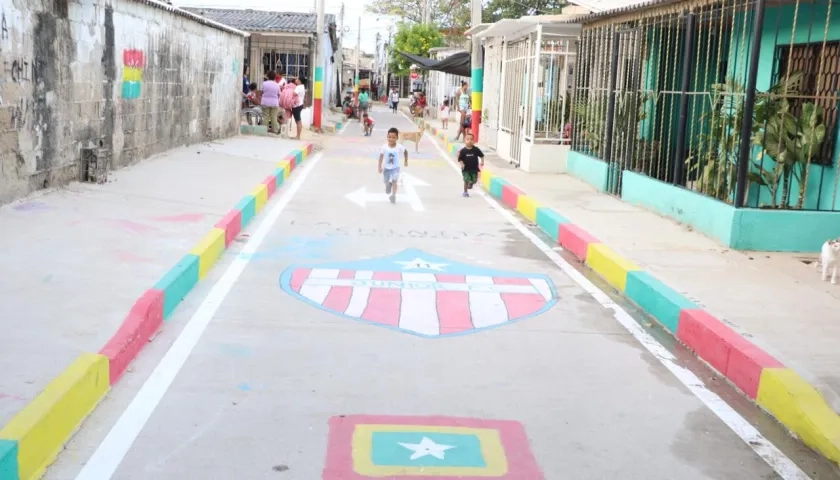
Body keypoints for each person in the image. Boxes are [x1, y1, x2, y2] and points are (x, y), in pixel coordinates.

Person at [378, 127, 409, 204]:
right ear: (387, 137)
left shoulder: (399, 146)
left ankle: (393, 195)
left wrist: (406, 161)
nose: (391, 139)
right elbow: (381, 156)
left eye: (393, 137)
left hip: (395, 168)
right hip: (386, 168)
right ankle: (388, 185)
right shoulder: (384, 146)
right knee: (385, 181)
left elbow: (405, 151)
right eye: (389, 137)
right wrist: (379, 166)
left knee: (395, 181)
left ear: (397, 138)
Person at [457, 132, 484, 197]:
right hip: (466, 169)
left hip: (474, 169)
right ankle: (465, 192)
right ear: (464, 141)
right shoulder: (463, 151)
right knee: (466, 180)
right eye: (468, 139)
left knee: (474, 180)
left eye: (471, 139)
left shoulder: (476, 149)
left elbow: (482, 155)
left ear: (473, 141)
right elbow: (460, 159)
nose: (469, 141)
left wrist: (482, 161)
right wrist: (462, 164)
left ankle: (471, 183)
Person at [261, 70, 281, 134]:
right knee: (274, 117)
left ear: (267, 76)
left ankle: (264, 130)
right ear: (275, 77)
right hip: (274, 103)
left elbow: (261, 92)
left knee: (266, 116)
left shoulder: (264, 83)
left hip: (265, 102)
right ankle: (275, 130)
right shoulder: (277, 85)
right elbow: (279, 94)